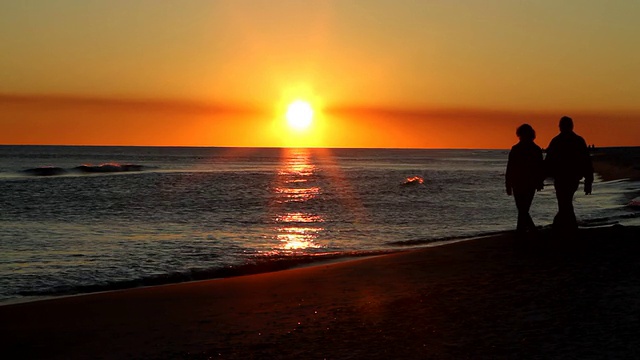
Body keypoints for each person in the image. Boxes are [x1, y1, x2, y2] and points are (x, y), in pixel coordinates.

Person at [544, 116, 594, 232]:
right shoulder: (578, 140)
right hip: (571, 177)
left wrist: (541, 177)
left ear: (560, 127)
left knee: (564, 201)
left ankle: (565, 226)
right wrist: (588, 181)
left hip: (563, 177)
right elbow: (586, 161)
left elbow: (548, 162)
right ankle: (565, 225)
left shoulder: (557, 141)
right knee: (565, 201)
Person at [505, 124, 544, 235]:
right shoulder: (535, 149)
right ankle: (525, 230)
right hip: (526, 182)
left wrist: (508, 184)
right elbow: (540, 168)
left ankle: (526, 230)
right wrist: (539, 181)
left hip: (520, 182)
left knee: (522, 209)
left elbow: (510, 168)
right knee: (523, 208)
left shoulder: (517, 149)